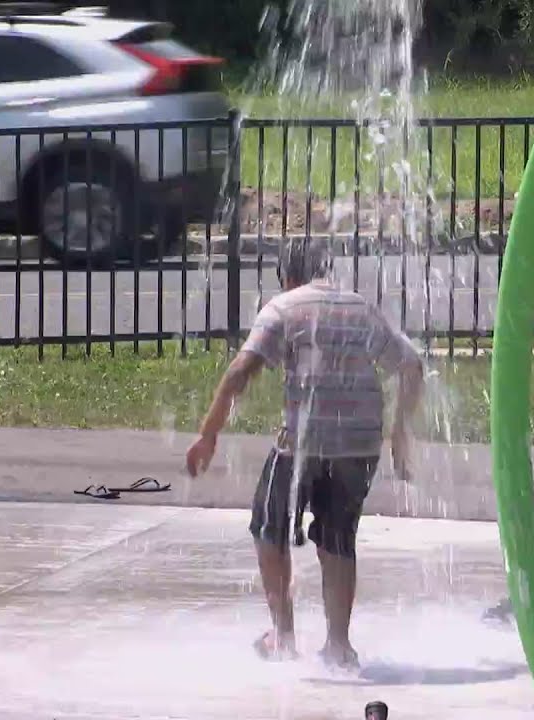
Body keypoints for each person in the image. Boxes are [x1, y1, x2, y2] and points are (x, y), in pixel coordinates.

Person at [185, 238, 425, 670]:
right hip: (360, 444)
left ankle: (283, 635)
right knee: (338, 536)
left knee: (269, 527)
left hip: (303, 442)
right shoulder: (358, 307)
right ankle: (338, 645)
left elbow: (241, 370)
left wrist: (209, 434)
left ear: (287, 276)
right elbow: (411, 366)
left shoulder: (283, 307)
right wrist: (399, 434)